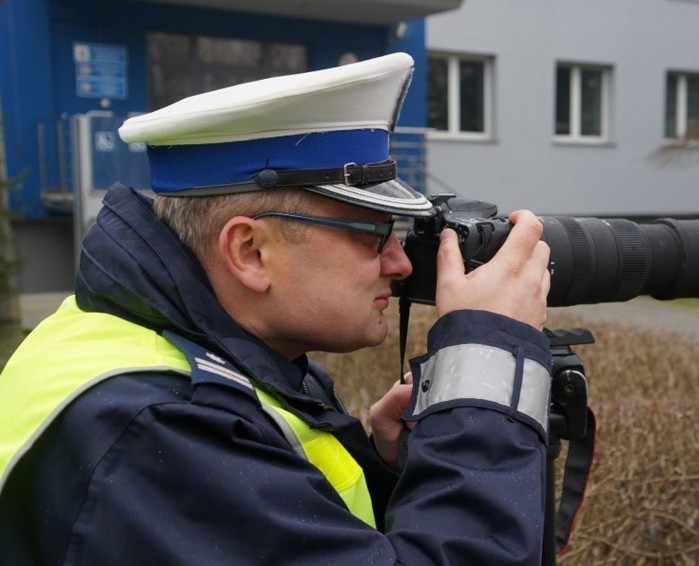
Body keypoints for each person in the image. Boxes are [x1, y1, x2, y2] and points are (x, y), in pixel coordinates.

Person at [0, 52, 553, 564]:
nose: (401, 263)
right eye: (374, 234)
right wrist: (485, 376)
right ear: (250, 251)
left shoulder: (185, 351)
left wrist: (390, 467)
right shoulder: (158, 426)